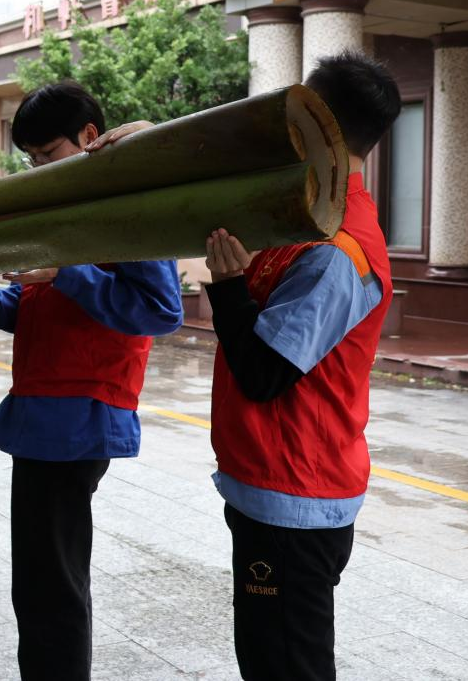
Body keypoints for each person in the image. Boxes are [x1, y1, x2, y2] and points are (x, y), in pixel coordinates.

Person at [88, 52, 401, 680]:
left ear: (320, 130)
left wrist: (227, 289)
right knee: (267, 655)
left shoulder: (339, 252)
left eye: (294, 119)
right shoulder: (307, 211)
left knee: (285, 663)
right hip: (272, 481)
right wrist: (152, 145)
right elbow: (221, 188)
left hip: (296, 490)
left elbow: (264, 373)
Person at [0, 83, 183, 681]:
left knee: (50, 587)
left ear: (91, 137)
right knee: (40, 581)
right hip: (43, 420)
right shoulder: (63, 205)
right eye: (31, 160)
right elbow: (27, 306)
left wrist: (69, 273)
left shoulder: (124, 202)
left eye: (49, 153)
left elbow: (161, 310)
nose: (40, 169)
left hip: (80, 418)